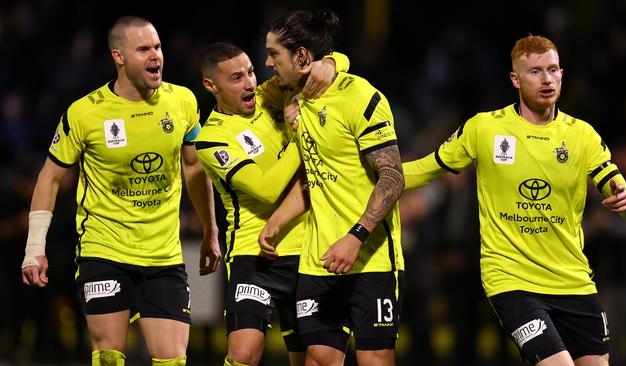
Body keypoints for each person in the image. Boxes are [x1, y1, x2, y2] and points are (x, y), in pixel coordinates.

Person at [402, 35, 626, 366]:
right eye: (535, 72)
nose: (547, 79)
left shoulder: (582, 135)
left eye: (553, 70)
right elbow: (426, 168)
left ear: (562, 73)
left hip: (573, 279)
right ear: (515, 79)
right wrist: (371, 175)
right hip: (512, 279)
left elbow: (622, 193)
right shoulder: (484, 128)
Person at [20, 16, 221, 366]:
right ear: (119, 57)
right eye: (143, 49)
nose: (155, 55)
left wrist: (210, 230)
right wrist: (34, 248)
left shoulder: (183, 102)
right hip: (104, 249)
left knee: (173, 360)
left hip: (163, 253)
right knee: (110, 359)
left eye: (157, 47)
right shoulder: (85, 113)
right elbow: (49, 178)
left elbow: (193, 167)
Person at [259, 9, 405, 366]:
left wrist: (355, 236)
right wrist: (277, 221)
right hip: (317, 262)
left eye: (274, 54)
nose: (266, 62)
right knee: (320, 360)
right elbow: (314, 176)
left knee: (374, 361)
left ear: (303, 56)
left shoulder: (359, 97)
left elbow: (393, 177)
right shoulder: (297, 101)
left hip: (370, 259)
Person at [194, 41, 348, 366]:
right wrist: (301, 132)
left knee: (316, 359)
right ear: (211, 85)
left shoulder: (268, 95)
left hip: (309, 250)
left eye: (250, 72)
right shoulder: (211, 139)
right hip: (256, 257)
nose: (250, 82)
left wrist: (329, 64)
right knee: (244, 354)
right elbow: (267, 187)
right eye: (236, 78)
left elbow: (341, 64)